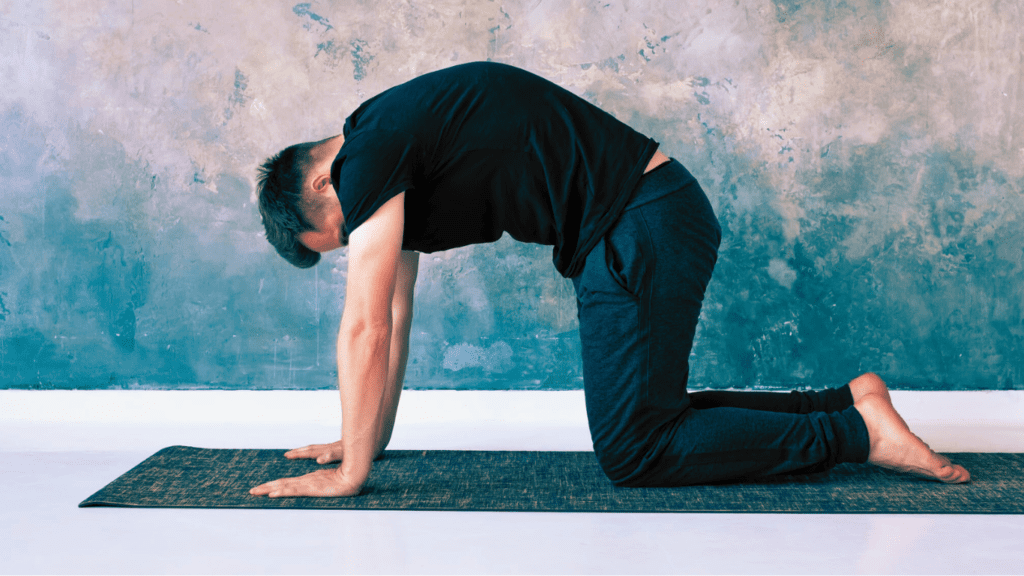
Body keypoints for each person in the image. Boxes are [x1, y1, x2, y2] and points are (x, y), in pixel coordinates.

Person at [249, 62, 969, 498]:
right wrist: (362, 440)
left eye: (341, 234)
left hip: (640, 225)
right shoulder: (390, 141)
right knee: (650, 416)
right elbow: (395, 319)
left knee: (636, 449)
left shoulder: (367, 154)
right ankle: (848, 403)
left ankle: (854, 434)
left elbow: (364, 324)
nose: (357, 247)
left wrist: (349, 480)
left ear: (321, 178)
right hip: (640, 223)